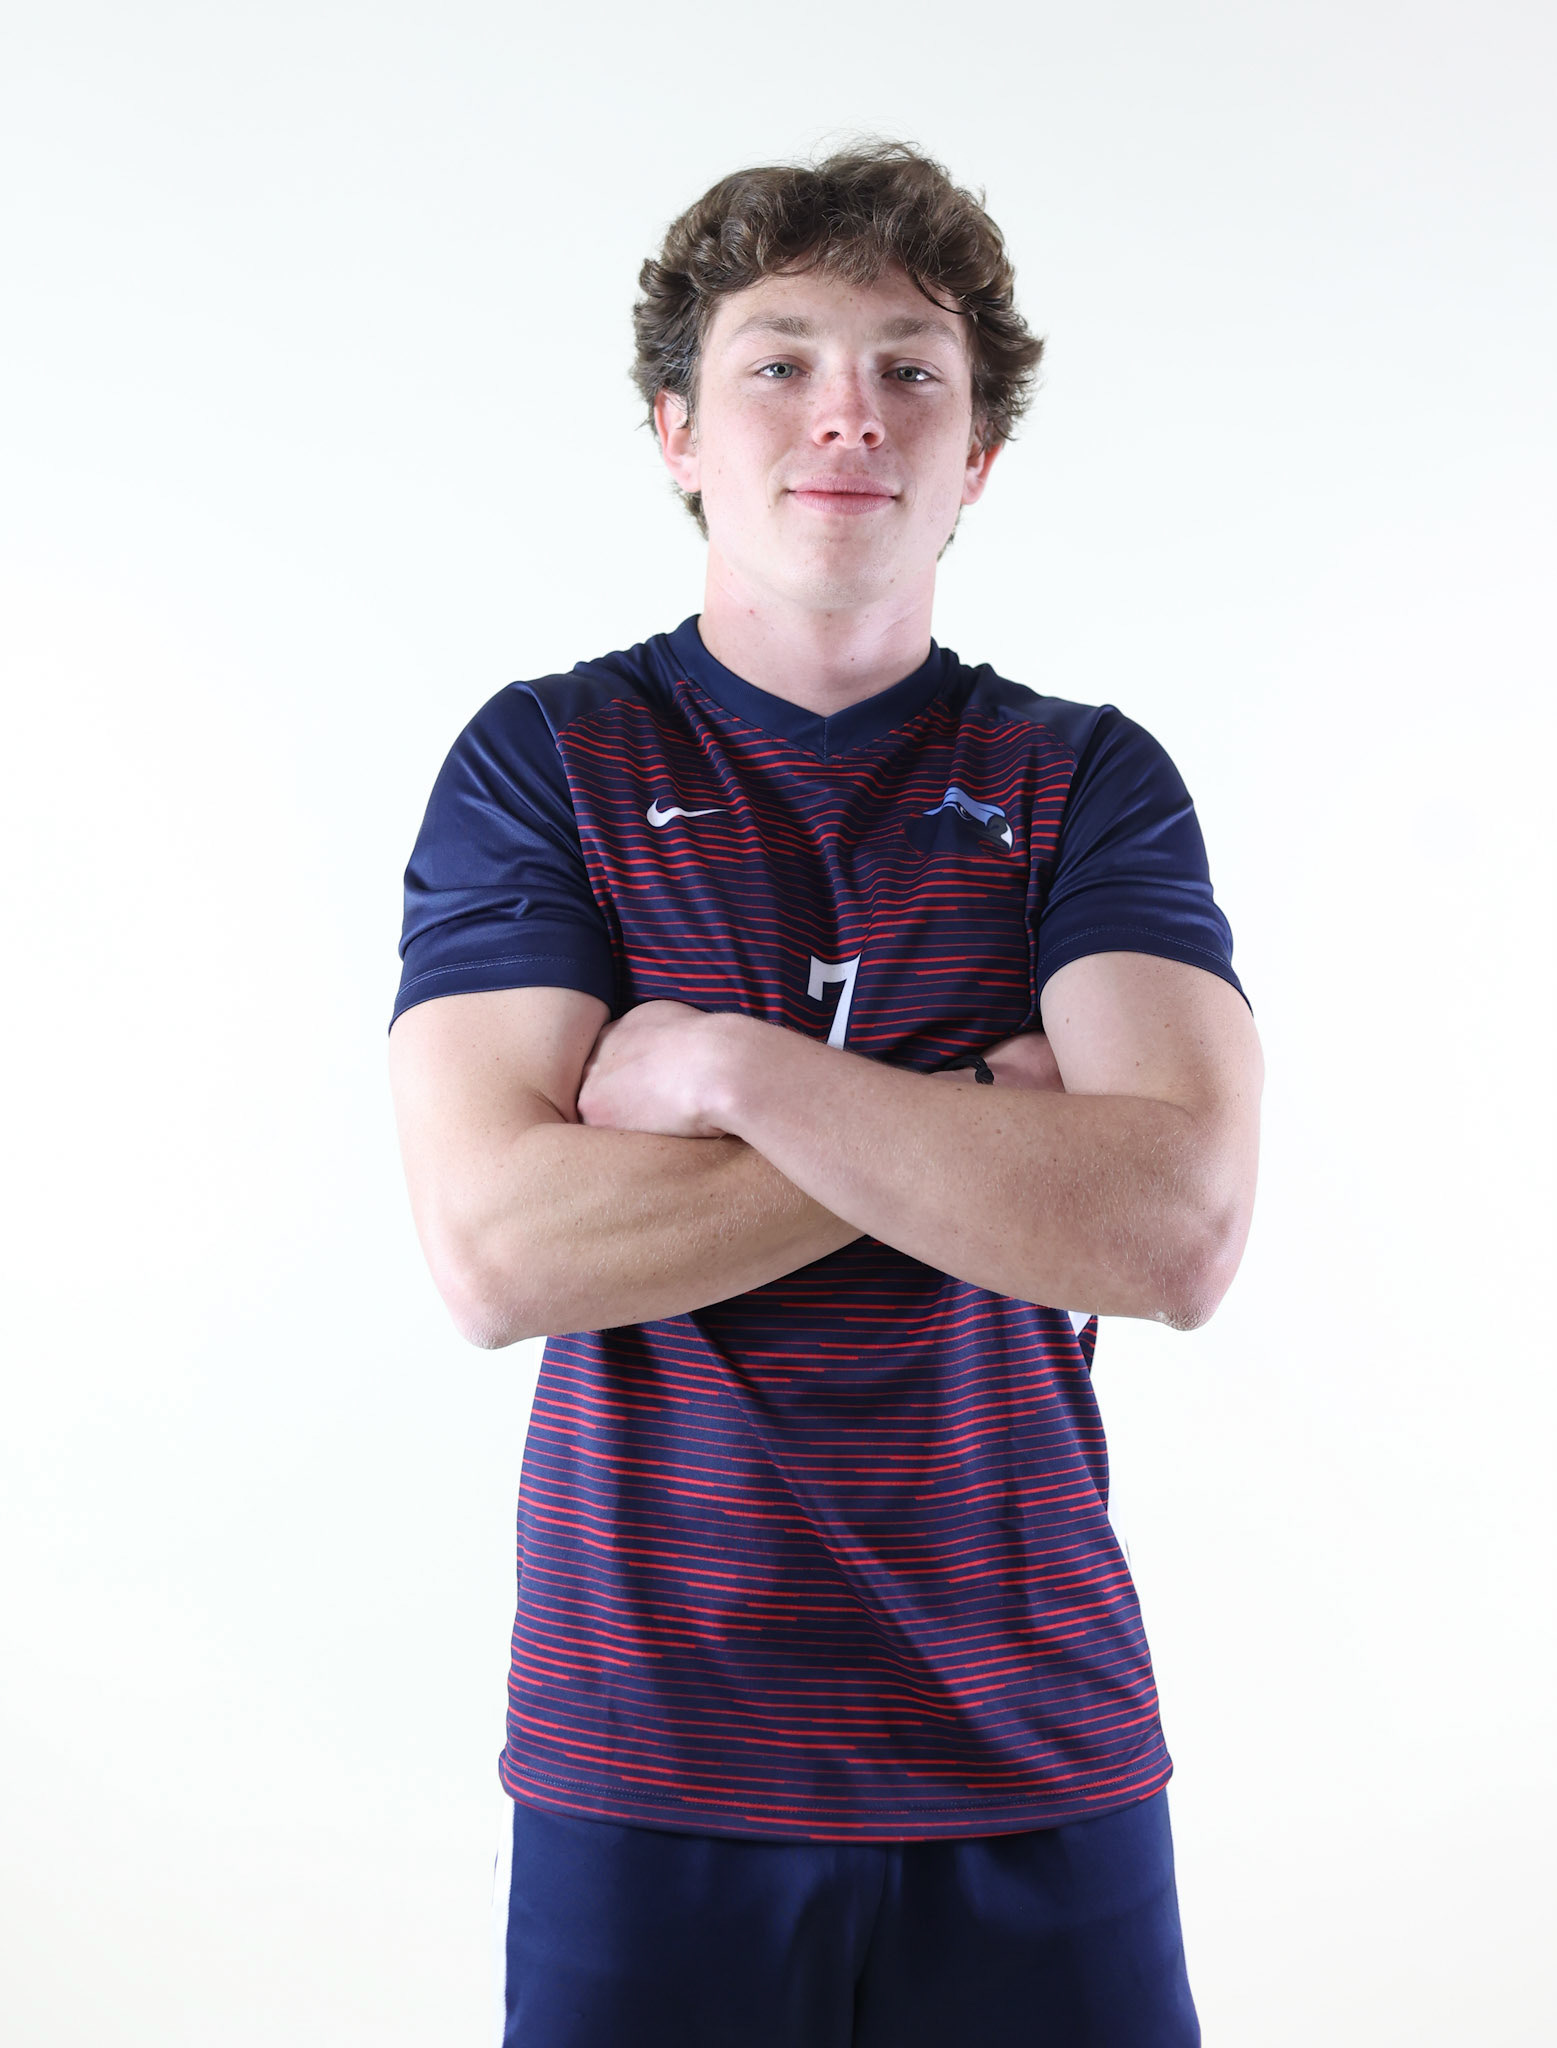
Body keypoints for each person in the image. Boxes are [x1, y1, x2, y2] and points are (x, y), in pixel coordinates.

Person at [387, 139, 1262, 2048]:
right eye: (778, 361)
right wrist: (993, 1124)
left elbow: (1171, 1231)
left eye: (908, 369)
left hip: (1031, 1736)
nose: (846, 412)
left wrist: (730, 1071)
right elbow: (500, 1249)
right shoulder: (547, 762)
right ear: (677, 433)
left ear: (978, 456)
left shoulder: (1083, 781)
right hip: (650, 1745)